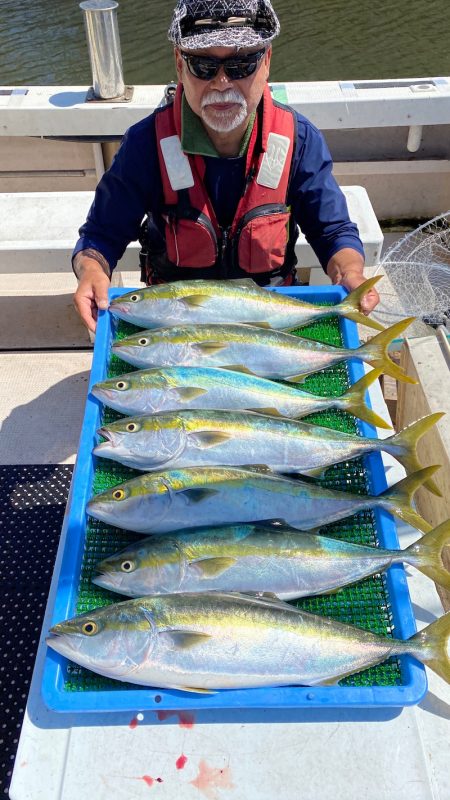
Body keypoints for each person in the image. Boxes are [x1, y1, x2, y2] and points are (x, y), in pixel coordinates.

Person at [72, 0, 380, 332]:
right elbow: (101, 234)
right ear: (179, 64)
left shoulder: (299, 140)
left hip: (271, 324)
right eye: (203, 66)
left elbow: (332, 231)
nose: (221, 82)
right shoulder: (146, 144)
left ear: (266, 62)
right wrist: (92, 271)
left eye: (241, 64)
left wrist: (349, 271)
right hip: (175, 329)